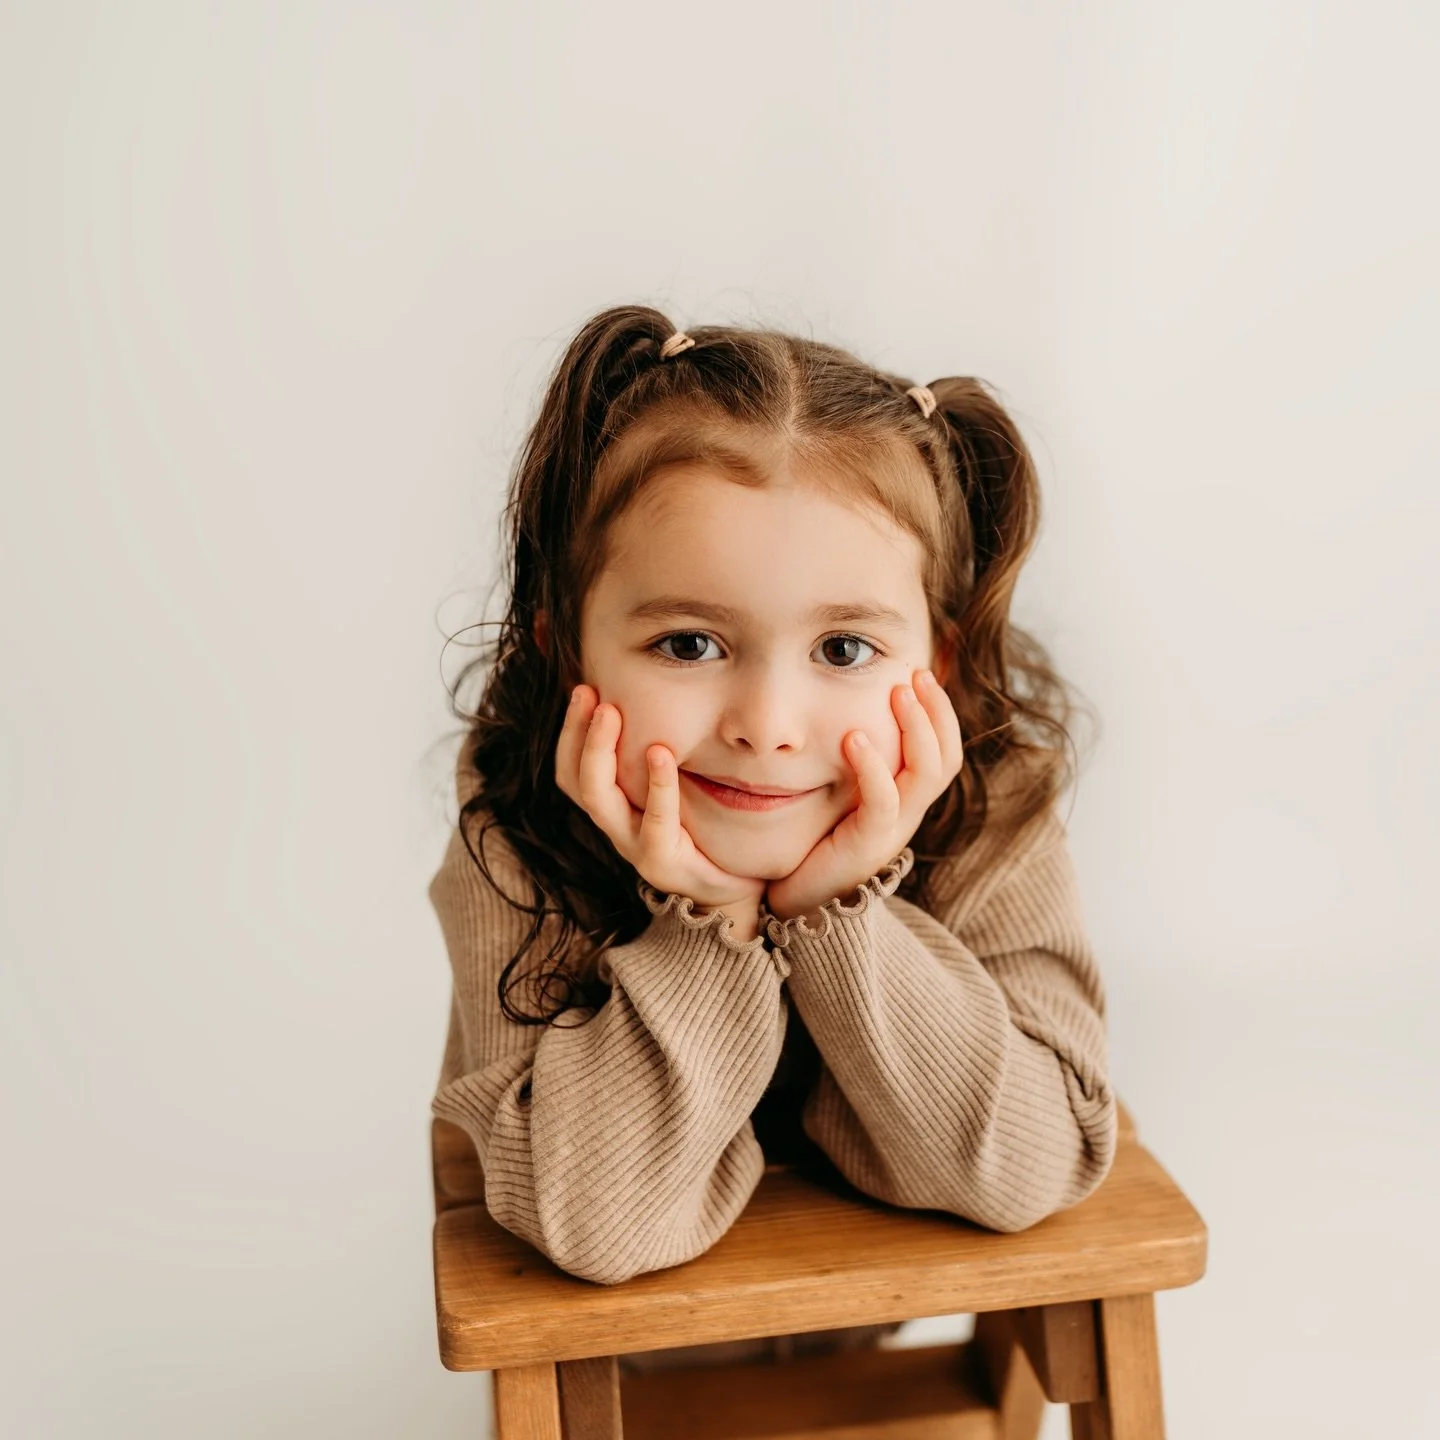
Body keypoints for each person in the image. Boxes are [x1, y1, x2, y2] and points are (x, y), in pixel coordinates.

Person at [427, 304, 1118, 1374]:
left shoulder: (994, 801)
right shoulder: (517, 831)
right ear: (568, 646)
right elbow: (600, 1222)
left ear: (932, 662)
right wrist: (710, 923)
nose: (768, 724)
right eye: (690, 643)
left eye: (844, 647)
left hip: (865, 1341)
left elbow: (1029, 1167)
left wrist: (835, 911)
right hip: (644, 1366)